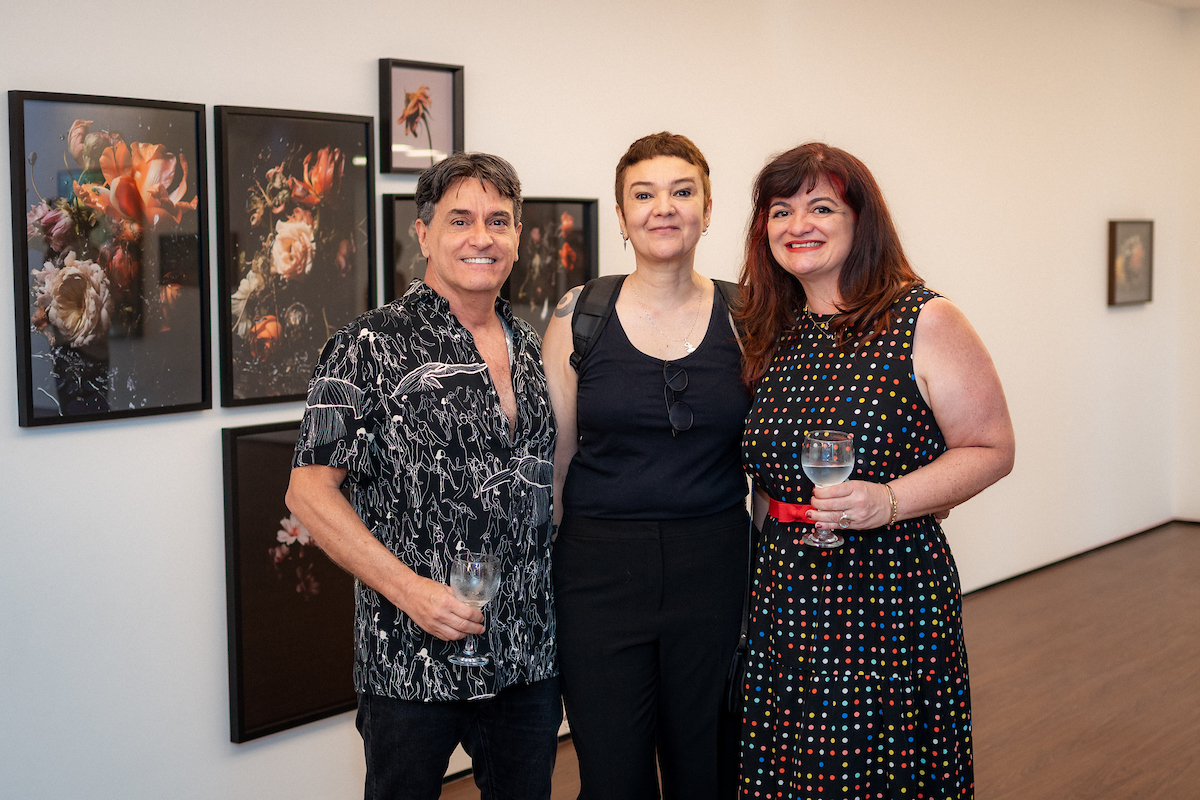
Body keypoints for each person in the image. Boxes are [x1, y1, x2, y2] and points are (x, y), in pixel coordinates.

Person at [735, 142, 1015, 799]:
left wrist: (889, 499)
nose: (797, 224)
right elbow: (764, 481)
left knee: (877, 774)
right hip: (786, 596)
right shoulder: (770, 331)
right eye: (780, 210)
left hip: (887, 595)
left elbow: (991, 447)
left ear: (862, 222)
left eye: (821, 206)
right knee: (794, 773)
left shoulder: (923, 318)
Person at [285, 152, 560, 800]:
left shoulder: (529, 345)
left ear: (518, 235)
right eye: (460, 220)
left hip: (525, 656)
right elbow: (308, 489)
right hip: (409, 660)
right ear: (424, 233)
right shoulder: (370, 343)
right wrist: (411, 591)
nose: (481, 237)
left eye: (499, 220)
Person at [541, 132, 751, 799]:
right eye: (645, 194)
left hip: (715, 569)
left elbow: (772, 461)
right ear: (624, 214)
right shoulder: (580, 316)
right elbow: (556, 467)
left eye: (682, 191)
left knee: (708, 771)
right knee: (613, 775)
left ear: (708, 208)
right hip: (598, 576)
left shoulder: (750, 316)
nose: (664, 207)